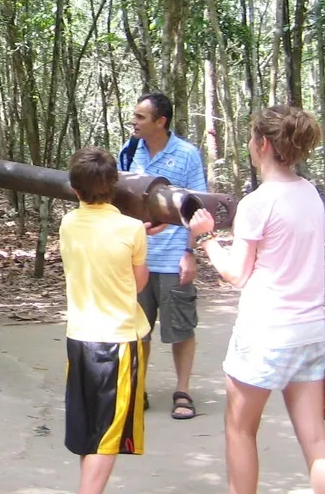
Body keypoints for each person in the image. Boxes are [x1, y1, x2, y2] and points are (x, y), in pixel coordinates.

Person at [187, 106, 325, 494]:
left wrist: (206, 237)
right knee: (316, 441)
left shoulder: (258, 202)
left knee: (239, 430)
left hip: (265, 332)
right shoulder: (311, 194)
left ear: (264, 144)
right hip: (308, 331)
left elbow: (236, 274)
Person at [60, 146, 150, 494]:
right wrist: (140, 237)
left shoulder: (67, 223)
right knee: (108, 437)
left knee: (89, 433)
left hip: (79, 339)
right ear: (114, 184)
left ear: (75, 189)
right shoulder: (132, 230)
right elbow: (139, 283)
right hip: (118, 342)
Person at [119, 92, 207, 419]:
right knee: (137, 328)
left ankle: (182, 392)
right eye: (134, 115)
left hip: (173, 257)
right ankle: (136, 389)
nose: (134, 121)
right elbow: (118, 202)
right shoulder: (128, 153)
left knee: (180, 329)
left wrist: (189, 253)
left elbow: (197, 207)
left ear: (161, 121)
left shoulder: (187, 155)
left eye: (141, 117)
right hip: (136, 258)